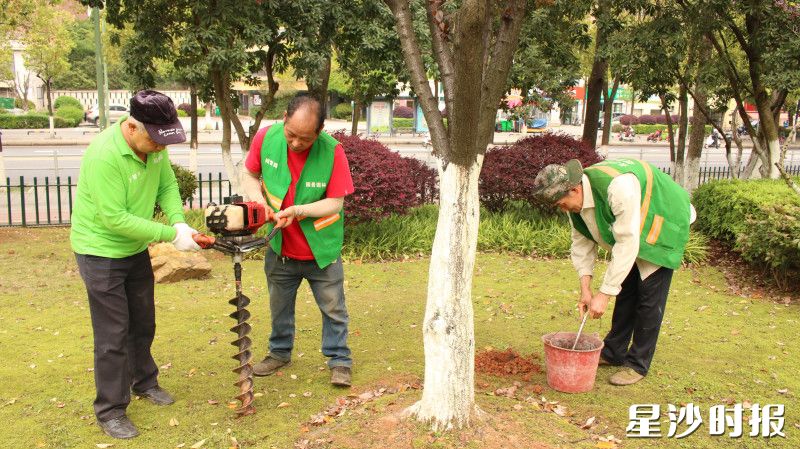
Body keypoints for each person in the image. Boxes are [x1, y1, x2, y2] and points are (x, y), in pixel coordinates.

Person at [70, 90, 201, 439]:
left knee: (142, 321)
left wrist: (178, 222)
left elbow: (167, 185)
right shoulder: (104, 156)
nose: (160, 148)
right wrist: (168, 235)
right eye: (155, 141)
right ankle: (111, 410)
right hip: (100, 252)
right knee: (113, 333)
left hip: (133, 250)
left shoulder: (153, 148)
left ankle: (144, 381)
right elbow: (114, 219)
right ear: (131, 126)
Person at [533, 159, 695, 386]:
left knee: (649, 295)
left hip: (663, 217)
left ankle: (637, 363)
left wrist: (605, 294)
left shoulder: (618, 188)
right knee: (626, 289)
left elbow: (627, 243)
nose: (563, 209)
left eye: (561, 204)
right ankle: (613, 351)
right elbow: (581, 243)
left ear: (574, 189)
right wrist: (586, 289)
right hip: (634, 226)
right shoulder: (575, 201)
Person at [241, 93, 355, 387]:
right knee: (279, 306)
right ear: (284, 119)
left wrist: (299, 211)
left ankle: (339, 359)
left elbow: (335, 203)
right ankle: (279, 353)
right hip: (280, 247)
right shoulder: (266, 138)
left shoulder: (332, 151)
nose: (296, 143)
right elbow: (250, 174)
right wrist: (260, 205)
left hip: (321, 251)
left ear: (319, 132)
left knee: (333, 308)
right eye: (291, 134)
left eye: (305, 139)